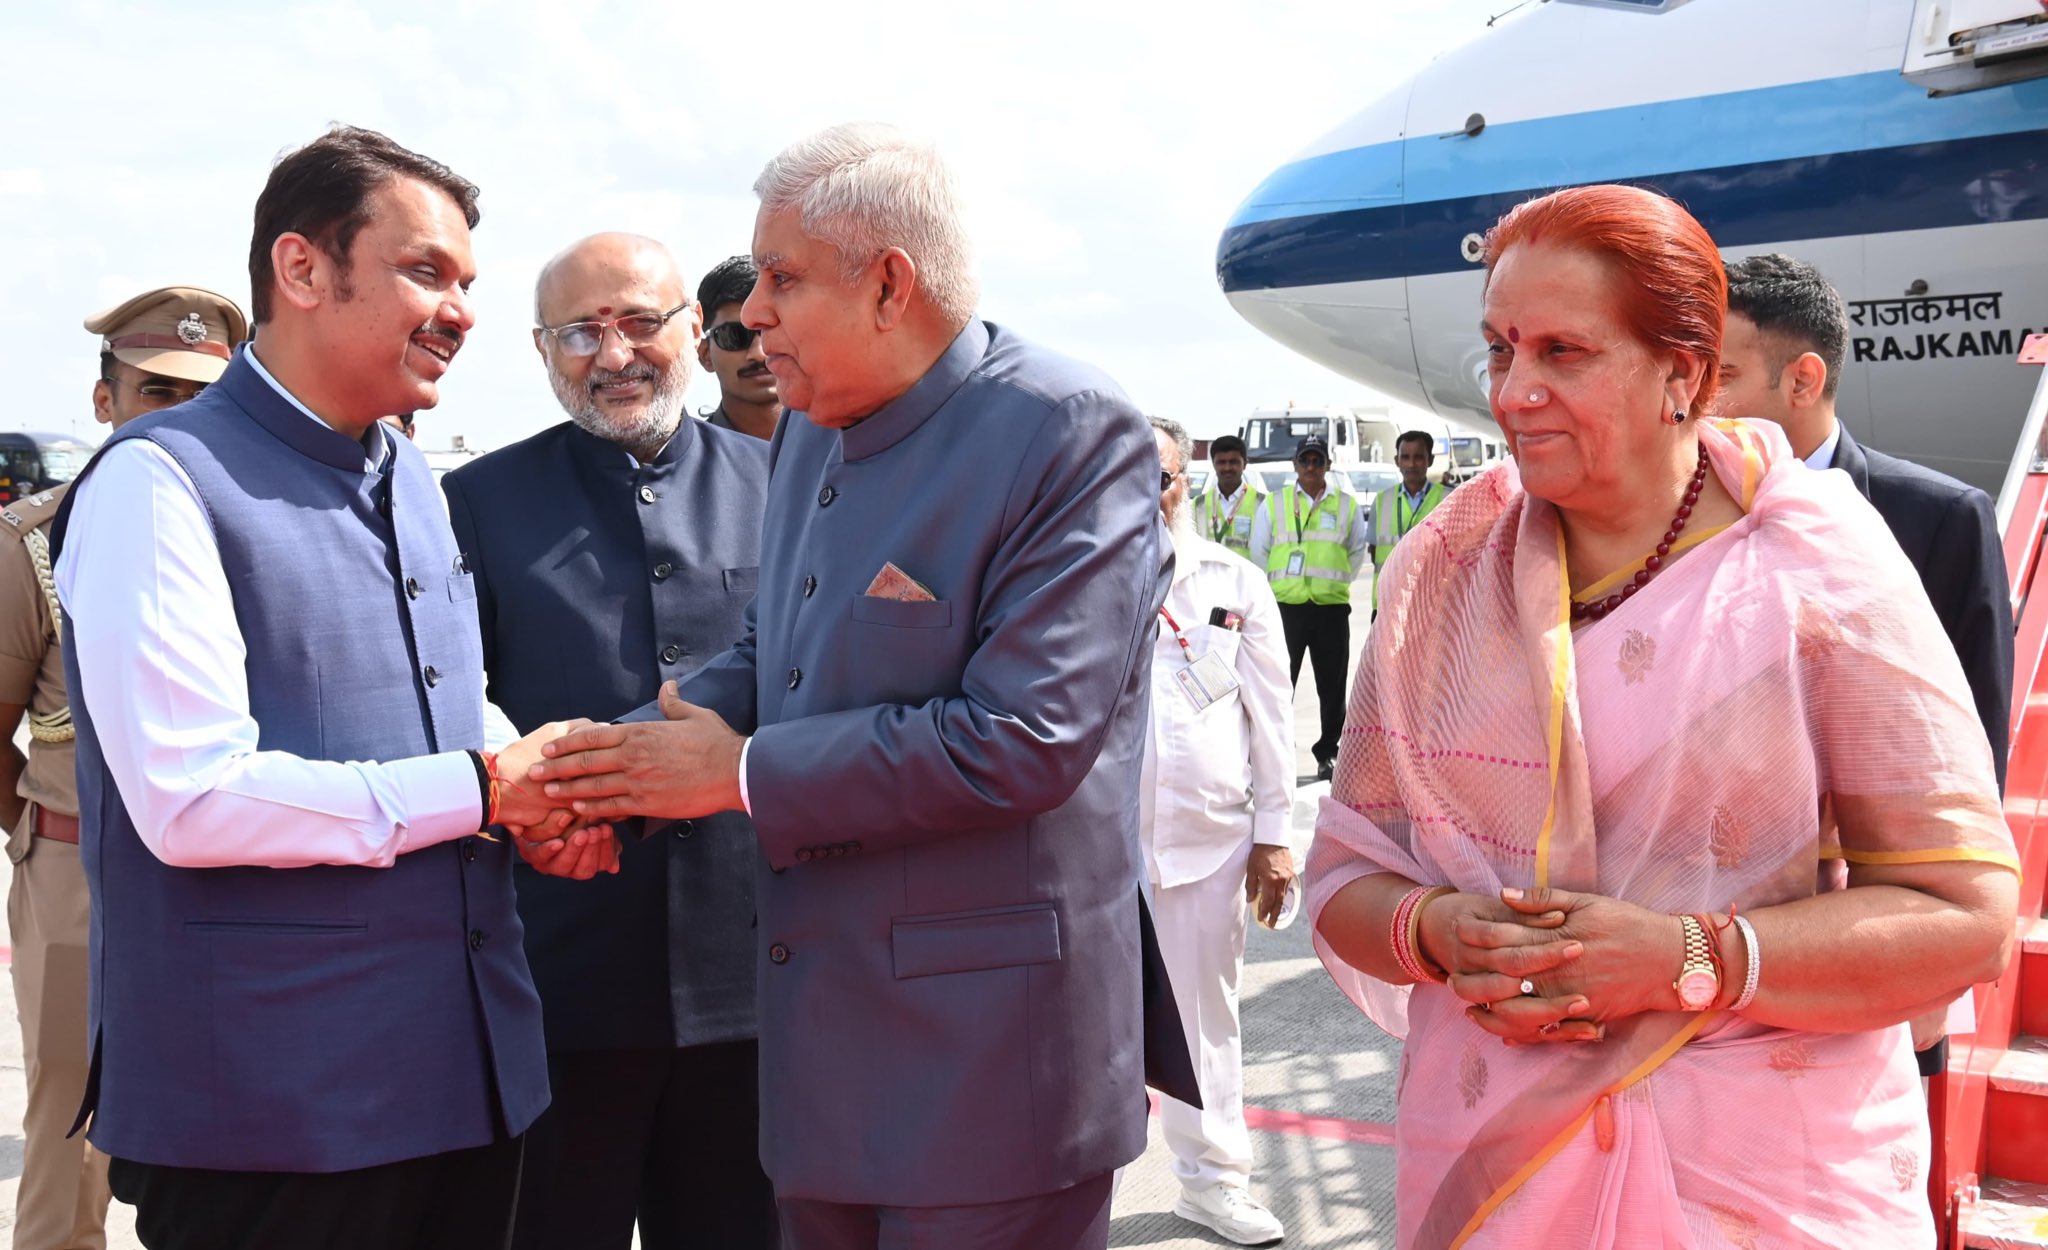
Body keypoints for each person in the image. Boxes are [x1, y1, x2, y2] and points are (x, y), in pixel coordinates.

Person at [1305, 184, 2017, 1248]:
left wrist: (1689, 955)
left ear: (1680, 375)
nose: (1514, 392)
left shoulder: (1813, 565)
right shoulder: (1443, 568)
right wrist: (1437, 931)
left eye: (1563, 352)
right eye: (1500, 348)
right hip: (1495, 1166)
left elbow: (1961, 915)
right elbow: (1344, 871)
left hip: (1762, 1176)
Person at [524, 121, 1187, 1250]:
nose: (748, 315)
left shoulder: (1063, 431)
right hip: (819, 1061)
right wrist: (606, 768)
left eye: (781, 278)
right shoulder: (812, 431)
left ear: (890, 285)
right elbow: (772, 653)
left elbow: (1020, 738)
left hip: (985, 1068)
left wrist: (731, 773)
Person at [50, 125, 610, 1250]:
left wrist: (540, 786)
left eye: (465, 283)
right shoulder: (157, 483)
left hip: (466, 1076)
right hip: (273, 1110)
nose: (458, 309)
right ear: (301, 269)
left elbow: (442, 693)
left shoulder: (407, 467)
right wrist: (483, 788)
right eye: (425, 271)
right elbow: (192, 794)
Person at [442, 231, 776, 1250]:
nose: (613, 351)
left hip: (757, 977)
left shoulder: (795, 487)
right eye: (580, 331)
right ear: (543, 350)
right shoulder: (474, 503)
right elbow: (454, 701)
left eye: (639, 321)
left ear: (693, 331)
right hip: (557, 972)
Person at [1718, 252, 2017, 1084]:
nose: (1693, 400)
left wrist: (1936, 953)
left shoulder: (1937, 519)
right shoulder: (1680, 521)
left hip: (1869, 930)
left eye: (1721, 374)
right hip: (1716, 949)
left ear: (1803, 379)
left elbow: (1976, 751)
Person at [0, 285, 245, 1250]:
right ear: (105, 403)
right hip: (76, 872)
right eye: (156, 393)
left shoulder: (256, 529)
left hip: (231, 869)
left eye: (205, 396)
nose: (183, 418)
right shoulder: (33, 543)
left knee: (229, 1132)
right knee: (70, 1135)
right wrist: (37, 834)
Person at [1144, 416, 1295, 1247]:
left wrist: (1273, 835)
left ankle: (1213, 1184)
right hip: (1098, 853)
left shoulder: (1233, 584)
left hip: (1207, 843)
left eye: (1159, 478)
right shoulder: (1076, 575)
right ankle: (1076, 1186)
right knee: (1082, 1027)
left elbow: (1272, 718)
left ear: (1186, 479)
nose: (1145, 496)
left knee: (1205, 1020)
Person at [1248, 433, 1368, 781]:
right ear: (1295, 465)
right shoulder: (1275, 503)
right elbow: (1260, 551)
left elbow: (1357, 552)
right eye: (1305, 461)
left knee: (1332, 686)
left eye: (1318, 460)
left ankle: (1328, 752)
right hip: (1286, 608)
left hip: (1330, 607)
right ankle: (1277, 752)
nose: (1311, 467)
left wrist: (1335, 582)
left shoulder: (1345, 505)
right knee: (1278, 682)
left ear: (1328, 465)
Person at [696, 254, 783, 440]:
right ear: (705, 354)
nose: (759, 354)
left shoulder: (848, 441)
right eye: (734, 336)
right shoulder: (690, 465)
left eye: (773, 330)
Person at [1367, 431, 1448, 610]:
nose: (1411, 464)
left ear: (1430, 460)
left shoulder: (1448, 499)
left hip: (1432, 605)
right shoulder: (1381, 501)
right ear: (1397, 461)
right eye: (1405, 457)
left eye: (1419, 457)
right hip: (1388, 604)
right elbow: (1374, 553)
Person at [1198, 433, 1263, 559]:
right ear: (1213, 464)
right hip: (1208, 577)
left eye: (1233, 462)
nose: (1227, 468)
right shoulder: (1198, 505)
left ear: (1245, 464)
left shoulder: (1262, 503)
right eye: (1221, 462)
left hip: (1247, 578)